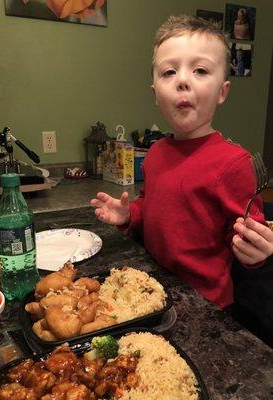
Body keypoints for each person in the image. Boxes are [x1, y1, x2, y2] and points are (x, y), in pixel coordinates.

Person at [90, 15, 273, 310]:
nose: (183, 80)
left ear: (222, 92)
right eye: (169, 72)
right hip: (154, 289)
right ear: (155, 94)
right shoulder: (156, 152)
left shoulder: (234, 163)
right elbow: (151, 206)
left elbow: (248, 233)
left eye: (200, 70)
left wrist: (258, 253)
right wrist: (130, 215)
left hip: (206, 304)